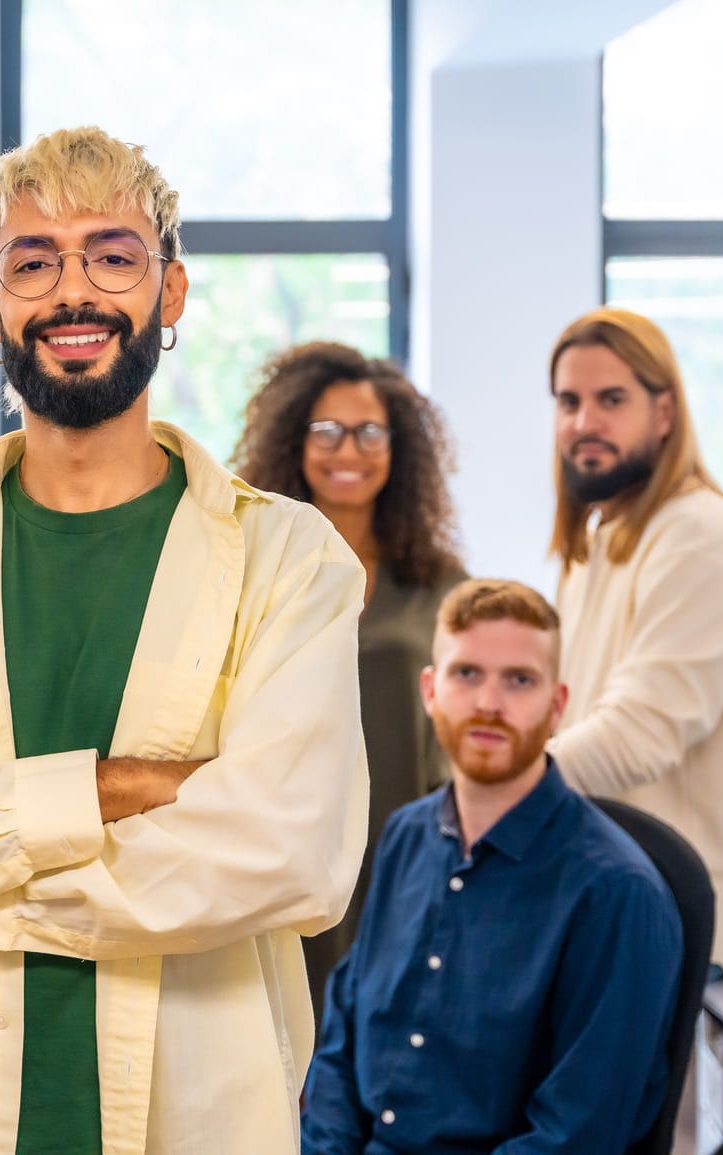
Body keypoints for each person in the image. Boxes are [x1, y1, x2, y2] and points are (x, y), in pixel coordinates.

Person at [0, 125, 369, 1153]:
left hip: (197, 1114)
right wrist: (123, 788)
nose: (74, 292)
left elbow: (289, 852)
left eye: (114, 256)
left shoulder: (288, 561)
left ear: (170, 293)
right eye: (34, 262)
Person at [301, 579, 683, 1153]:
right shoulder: (406, 835)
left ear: (557, 706)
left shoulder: (616, 893)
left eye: (519, 680)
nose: (488, 703)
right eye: (467, 673)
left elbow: (579, 1135)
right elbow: (342, 1041)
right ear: (430, 691)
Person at [546, 306, 723, 978]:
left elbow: (638, 735)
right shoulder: (600, 535)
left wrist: (496, 795)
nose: (584, 422)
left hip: (681, 931)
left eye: (611, 399)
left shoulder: (698, 537)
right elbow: (571, 711)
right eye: (569, 401)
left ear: (665, 412)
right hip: (618, 904)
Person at [235, 341, 465, 1013]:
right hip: (282, 844)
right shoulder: (253, 571)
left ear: (399, 449)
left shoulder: (438, 584)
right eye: (327, 430)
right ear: (293, 441)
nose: (349, 451)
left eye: (370, 433)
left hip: (404, 853)